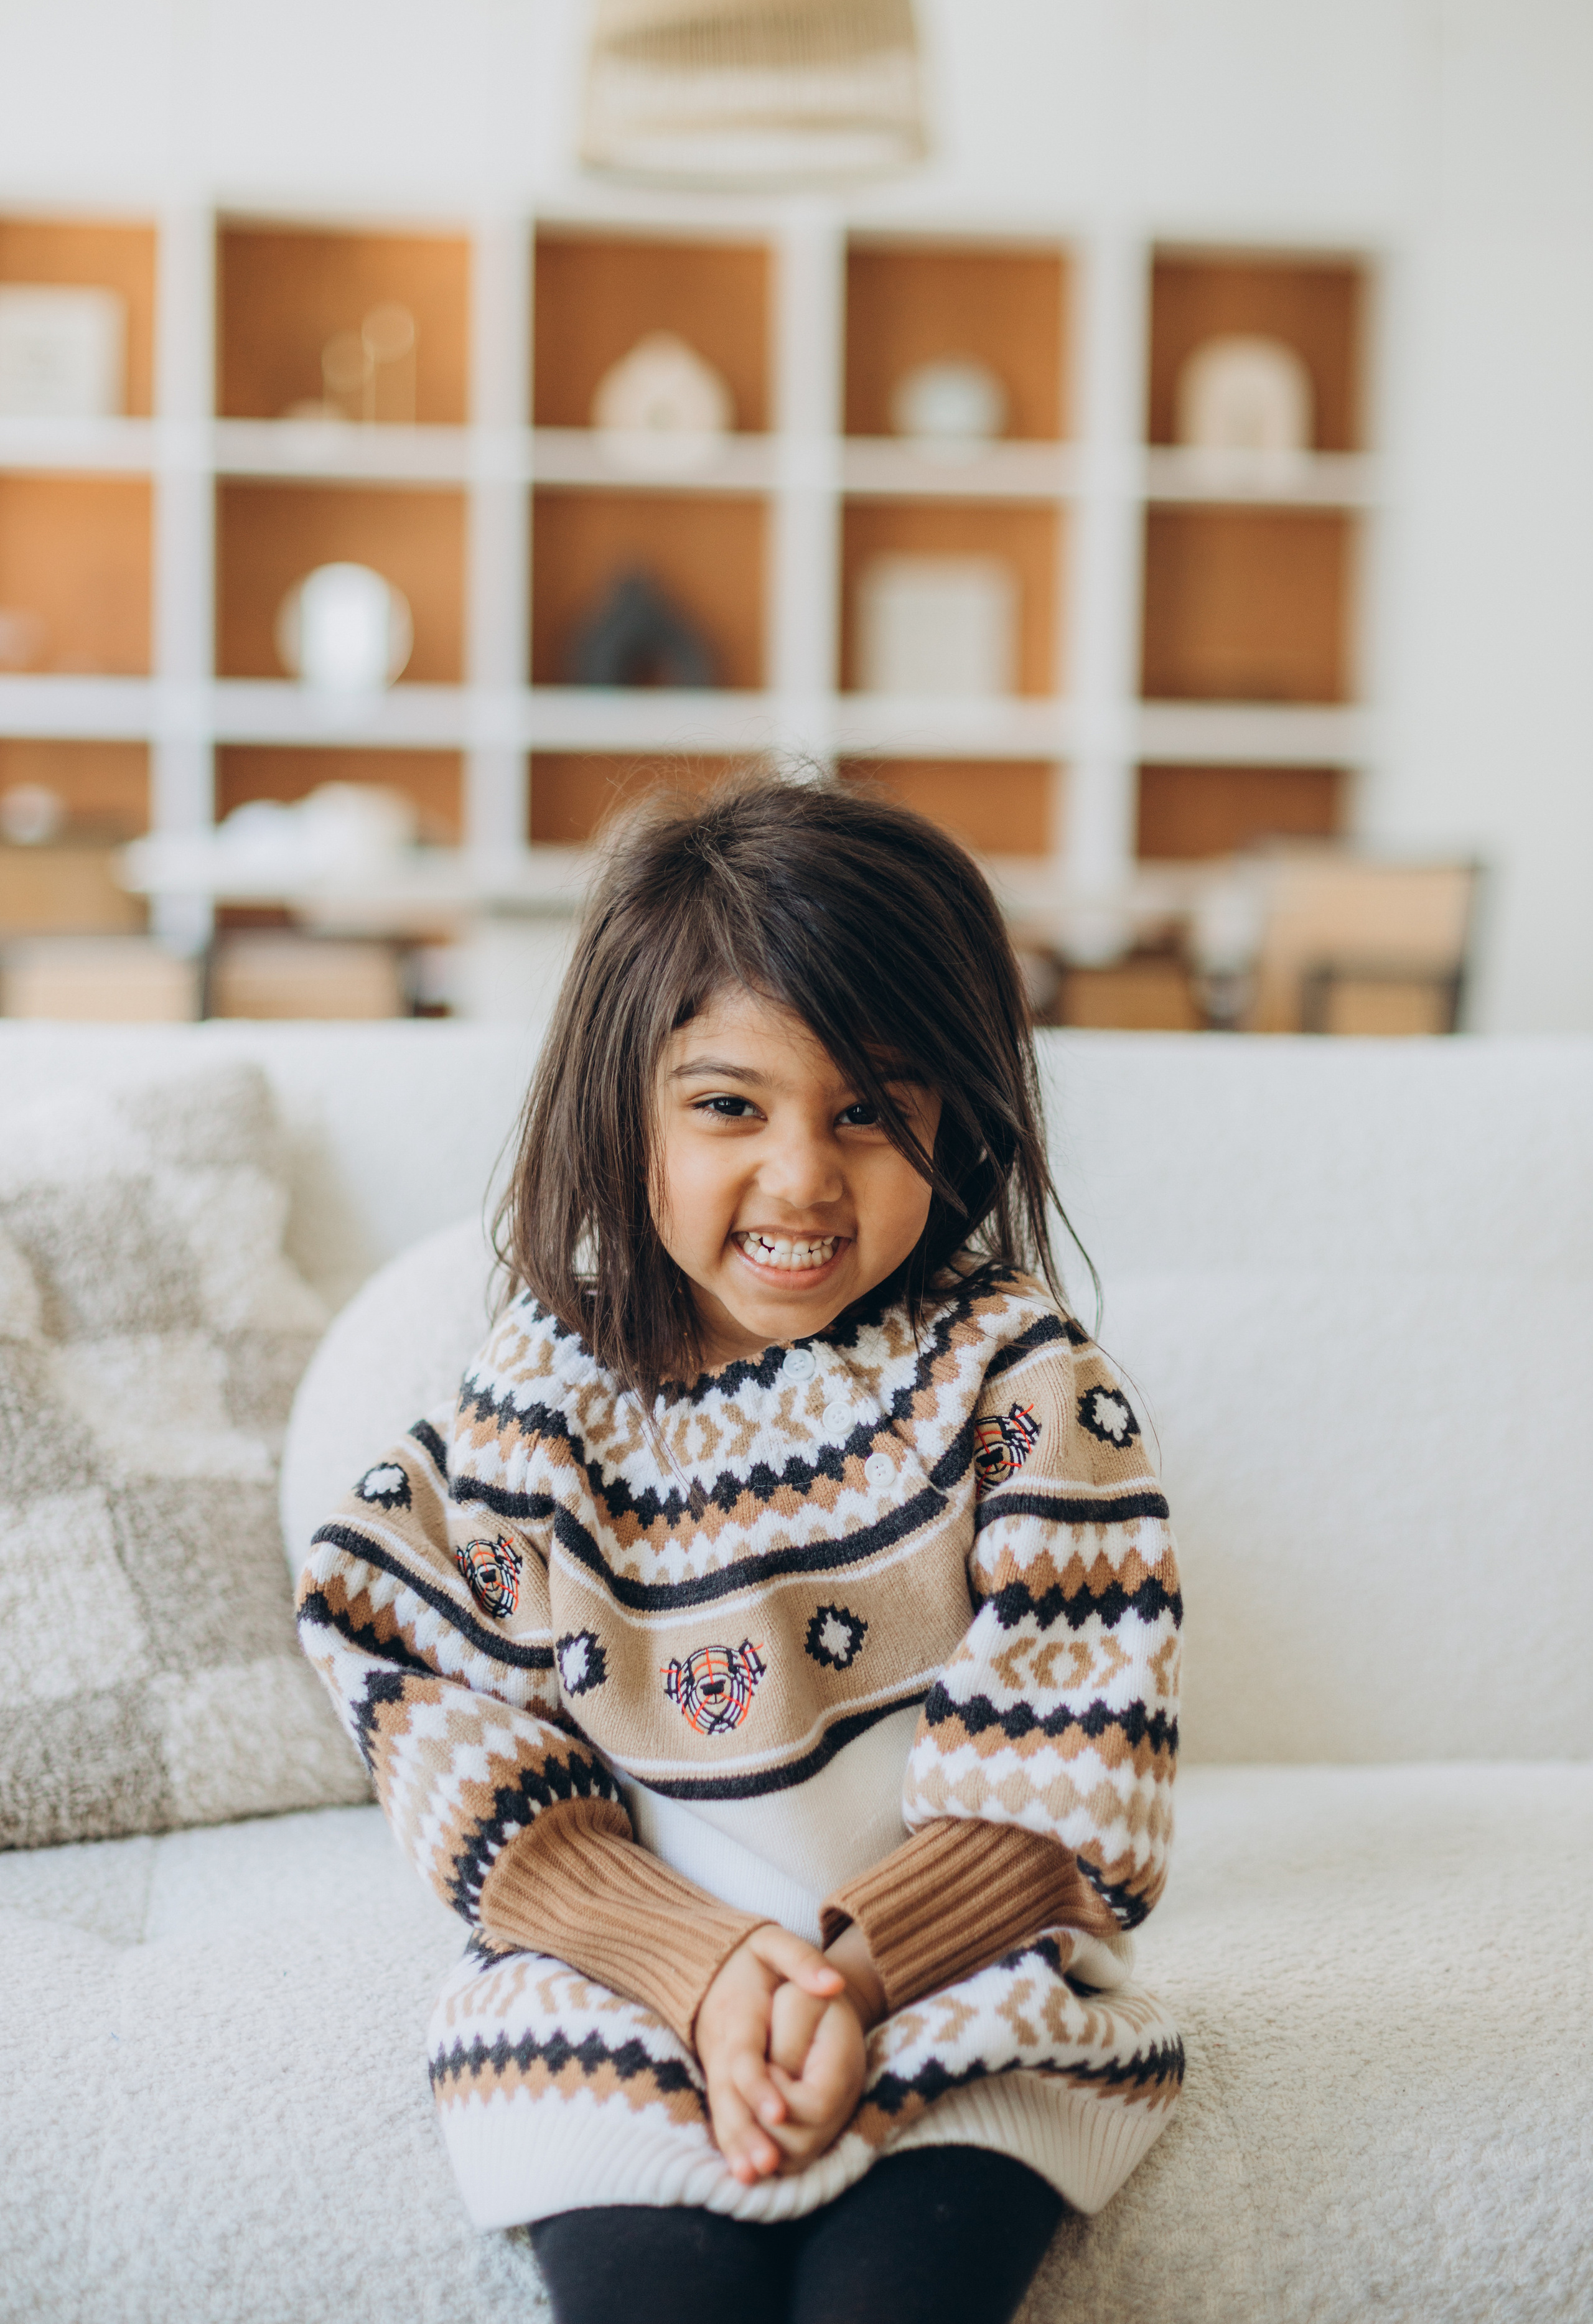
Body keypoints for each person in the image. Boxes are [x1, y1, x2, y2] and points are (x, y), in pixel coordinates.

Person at [297, 773, 1184, 2324]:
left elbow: (1075, 1753)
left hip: (960, 1976)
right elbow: (416, 1671)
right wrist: (698, 1970)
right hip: (621, 1987)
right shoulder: (536, 1406)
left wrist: (848, 1979)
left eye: (870, 1110)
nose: (800, 1178)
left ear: (953, 1117)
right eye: (728, 1105)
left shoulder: (1019, 1384)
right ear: (620, 1106)